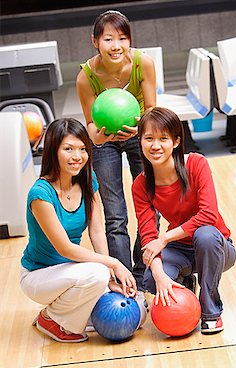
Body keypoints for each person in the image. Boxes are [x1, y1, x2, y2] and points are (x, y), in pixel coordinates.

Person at [20, 118, 137, 343]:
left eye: (83, 149)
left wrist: (111, 279)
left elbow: (96, 232)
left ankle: (63, 315)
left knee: (130, 312)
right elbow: (65, 249)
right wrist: (112, 264)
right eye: (69, 149)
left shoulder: (87, 180)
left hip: (70, 272)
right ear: (53, 151)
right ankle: (51, 319)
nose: (77, 156)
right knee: (97, 273)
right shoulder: (40, 194)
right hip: (38, 276)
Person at [132, 107, 236, 334]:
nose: (155, 146)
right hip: (180, 249)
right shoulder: (141, 184)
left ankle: (211, 311)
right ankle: (185, 282)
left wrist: (165, 238)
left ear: (176, 141)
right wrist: (160, 276)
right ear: (140, 141)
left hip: (216, 247)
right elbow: (148, 235)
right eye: (148, 138)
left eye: (163, 139)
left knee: (205, 234)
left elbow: (208, 215)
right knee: (151, 280)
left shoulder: (196, 164)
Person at [76, 10, 156, 298]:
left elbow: (151, 114)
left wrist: (138, 132)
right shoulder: (86, 78)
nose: (116, 45)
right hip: (105, 140)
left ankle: (142, 269)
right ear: (95, 41)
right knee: (115, 214)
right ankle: (123, 278)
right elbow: (90, 126)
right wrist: (102, 135)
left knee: (151, 201)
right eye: (108, 39)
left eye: (122, 38)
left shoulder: (142, 64)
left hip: (139, 134)